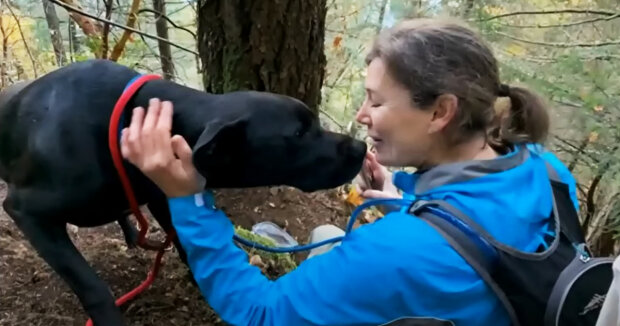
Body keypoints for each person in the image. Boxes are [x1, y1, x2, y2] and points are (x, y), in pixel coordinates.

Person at [120, 17, 580, 326]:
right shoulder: (548, 171)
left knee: (327, 250)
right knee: (324, 231)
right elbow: (485, 243)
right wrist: (404, 199)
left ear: (441, 112)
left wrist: (187, 199)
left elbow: (260, 312)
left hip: (396, 264)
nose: (362, 116)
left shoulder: (399, 253)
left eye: (376, 101)